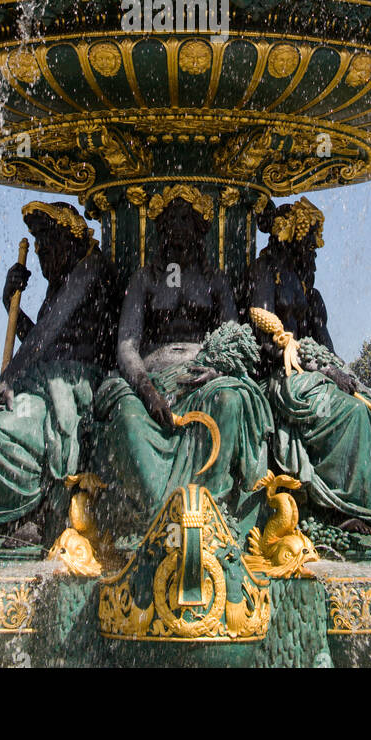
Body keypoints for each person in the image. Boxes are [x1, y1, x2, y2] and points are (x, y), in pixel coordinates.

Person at [94, 186, 272, 528]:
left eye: (184, 221)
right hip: (151, 380)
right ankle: (156, 519)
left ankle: (211, 510)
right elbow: (126, 347)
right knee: (128, 415)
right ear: (159, 231)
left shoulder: (216, 280)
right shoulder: (144, 279)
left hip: (203, 376)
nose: (176, 229)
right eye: (169, 222)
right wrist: (147, 392)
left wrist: (219, 367)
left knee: (231, 398)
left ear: (200, 229)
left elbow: (236, 337)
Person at [0, 202, 119, 541]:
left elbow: (47, 332)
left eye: (48, 247)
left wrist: (8, 379)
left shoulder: (90, 269)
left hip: (75, 382)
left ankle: (9, 520)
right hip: (43, 377)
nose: (42, 257)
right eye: (38, 249)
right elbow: (42, 341)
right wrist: (11, 305)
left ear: (72, 240)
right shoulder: (62, 278)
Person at [248, 197, 371, 547]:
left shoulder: (312, 293)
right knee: (351, 413)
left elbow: (330, 350)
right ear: (288, 239)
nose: (314, 254)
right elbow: (265, 341)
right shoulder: (266, 274)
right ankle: (344, 510)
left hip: (315, 373)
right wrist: (316, 366)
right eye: (309, 245)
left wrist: (348, 378)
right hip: (283, 375)